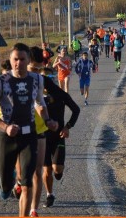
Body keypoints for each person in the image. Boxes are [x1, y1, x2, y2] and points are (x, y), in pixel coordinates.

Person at [0, 43, 58, 217]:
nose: (18, 63)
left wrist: (48, 120)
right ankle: (7, 185)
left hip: (29, 135)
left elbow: (40, 103)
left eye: (22, 59)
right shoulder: (1, 82)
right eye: (15, 59)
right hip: (7, 137)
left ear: (28, 60)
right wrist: (5, 126)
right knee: (6, 184)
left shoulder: (37, 80)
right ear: (10, 61)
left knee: (27, 182)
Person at [39, 66, 80, 208]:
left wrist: (67, 127)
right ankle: (49, 195)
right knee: (47, 170)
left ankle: (58, 172)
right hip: (42, 138)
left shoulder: (60, 94)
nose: (45, 81)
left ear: (54, 79)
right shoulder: (34, 96)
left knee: (57, 170)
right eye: (42, 78)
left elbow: (76, 109)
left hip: (58, 136)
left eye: (49, 78)